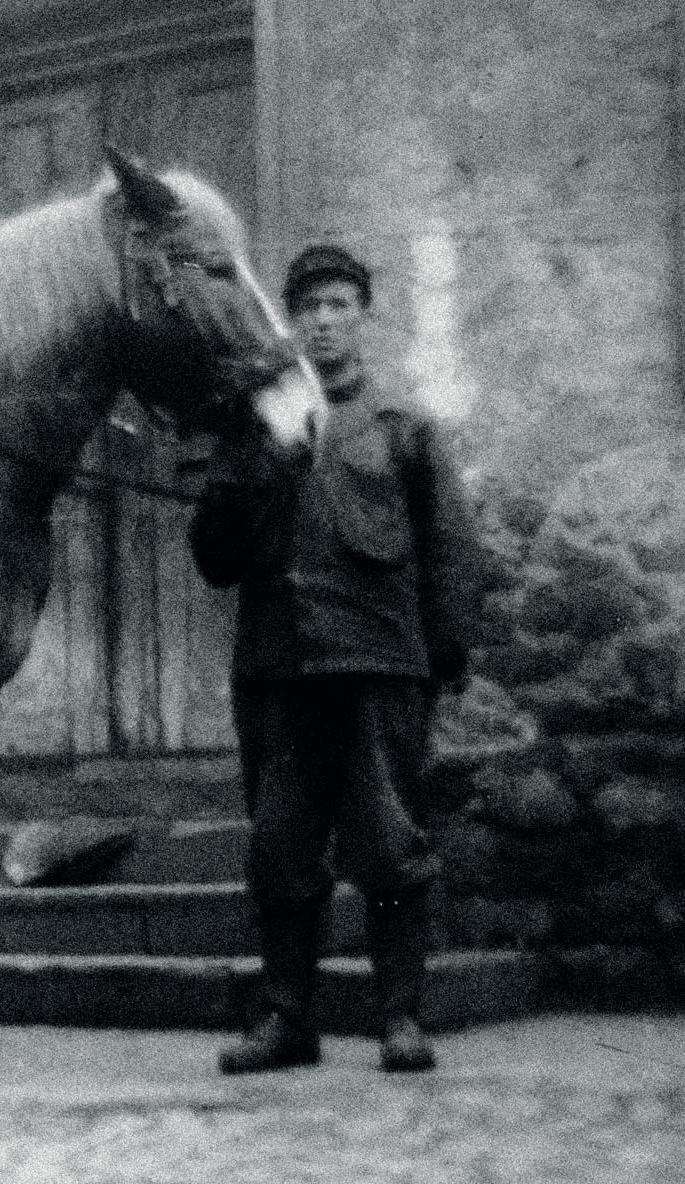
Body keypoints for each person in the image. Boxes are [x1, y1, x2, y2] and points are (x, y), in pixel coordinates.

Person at [190, 245, 485, 1074]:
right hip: (278, 670)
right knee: (280, 851)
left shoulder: (402, 428)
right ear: (289, 321)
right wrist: (238, 465)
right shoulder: (255, 428)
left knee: (389, 844)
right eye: (308, 307)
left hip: (378, 664)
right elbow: (214, 560)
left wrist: (443, 656)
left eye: (338, 305)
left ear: (362, 316)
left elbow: (451, 547)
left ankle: (401, 1017)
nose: (322, 321)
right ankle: (288, 1020)